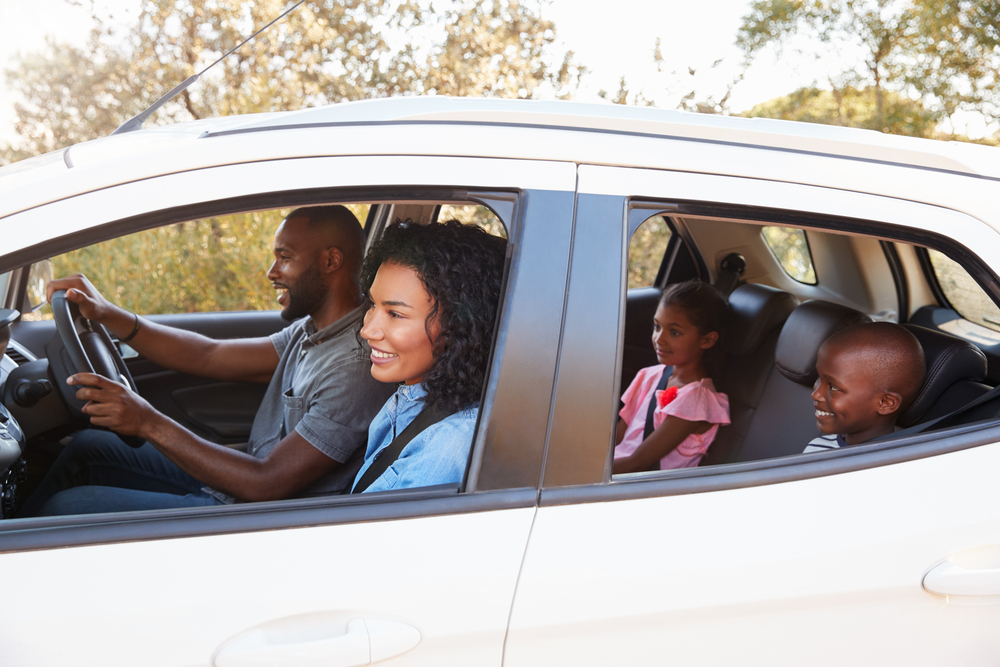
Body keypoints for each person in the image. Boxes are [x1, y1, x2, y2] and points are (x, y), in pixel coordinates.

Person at [18, 205, 396, 517]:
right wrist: (109, 314)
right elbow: (209, 355)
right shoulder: (311, 331)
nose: (271, 273)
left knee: (67, 506)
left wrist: (146, 421)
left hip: (264, 517)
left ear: (331, 261)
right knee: (88, 446)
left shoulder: (355, 365)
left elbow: (267, 483)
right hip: (242, 485)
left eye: (285, 257)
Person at [350, 219, 506, 493]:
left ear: (458, 326)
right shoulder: (409, 402)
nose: (367, 330)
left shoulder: (447, 446)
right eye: (373, 304)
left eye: (395, 314)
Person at [613, 280, 730, 473]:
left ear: (707, 340)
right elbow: (616, 439)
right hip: (614, 470)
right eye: (657, 327)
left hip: (638, 485)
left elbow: (638, 463)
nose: (659, 339)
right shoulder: (649, 376)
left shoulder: (696, 401)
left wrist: (581, 475)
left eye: (674, 332)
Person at [804, 322, 925, 452]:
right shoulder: (818, 447)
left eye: (833, 387)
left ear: (885, 403)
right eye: (819, 378)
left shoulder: (896, 464)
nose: (816, 394)